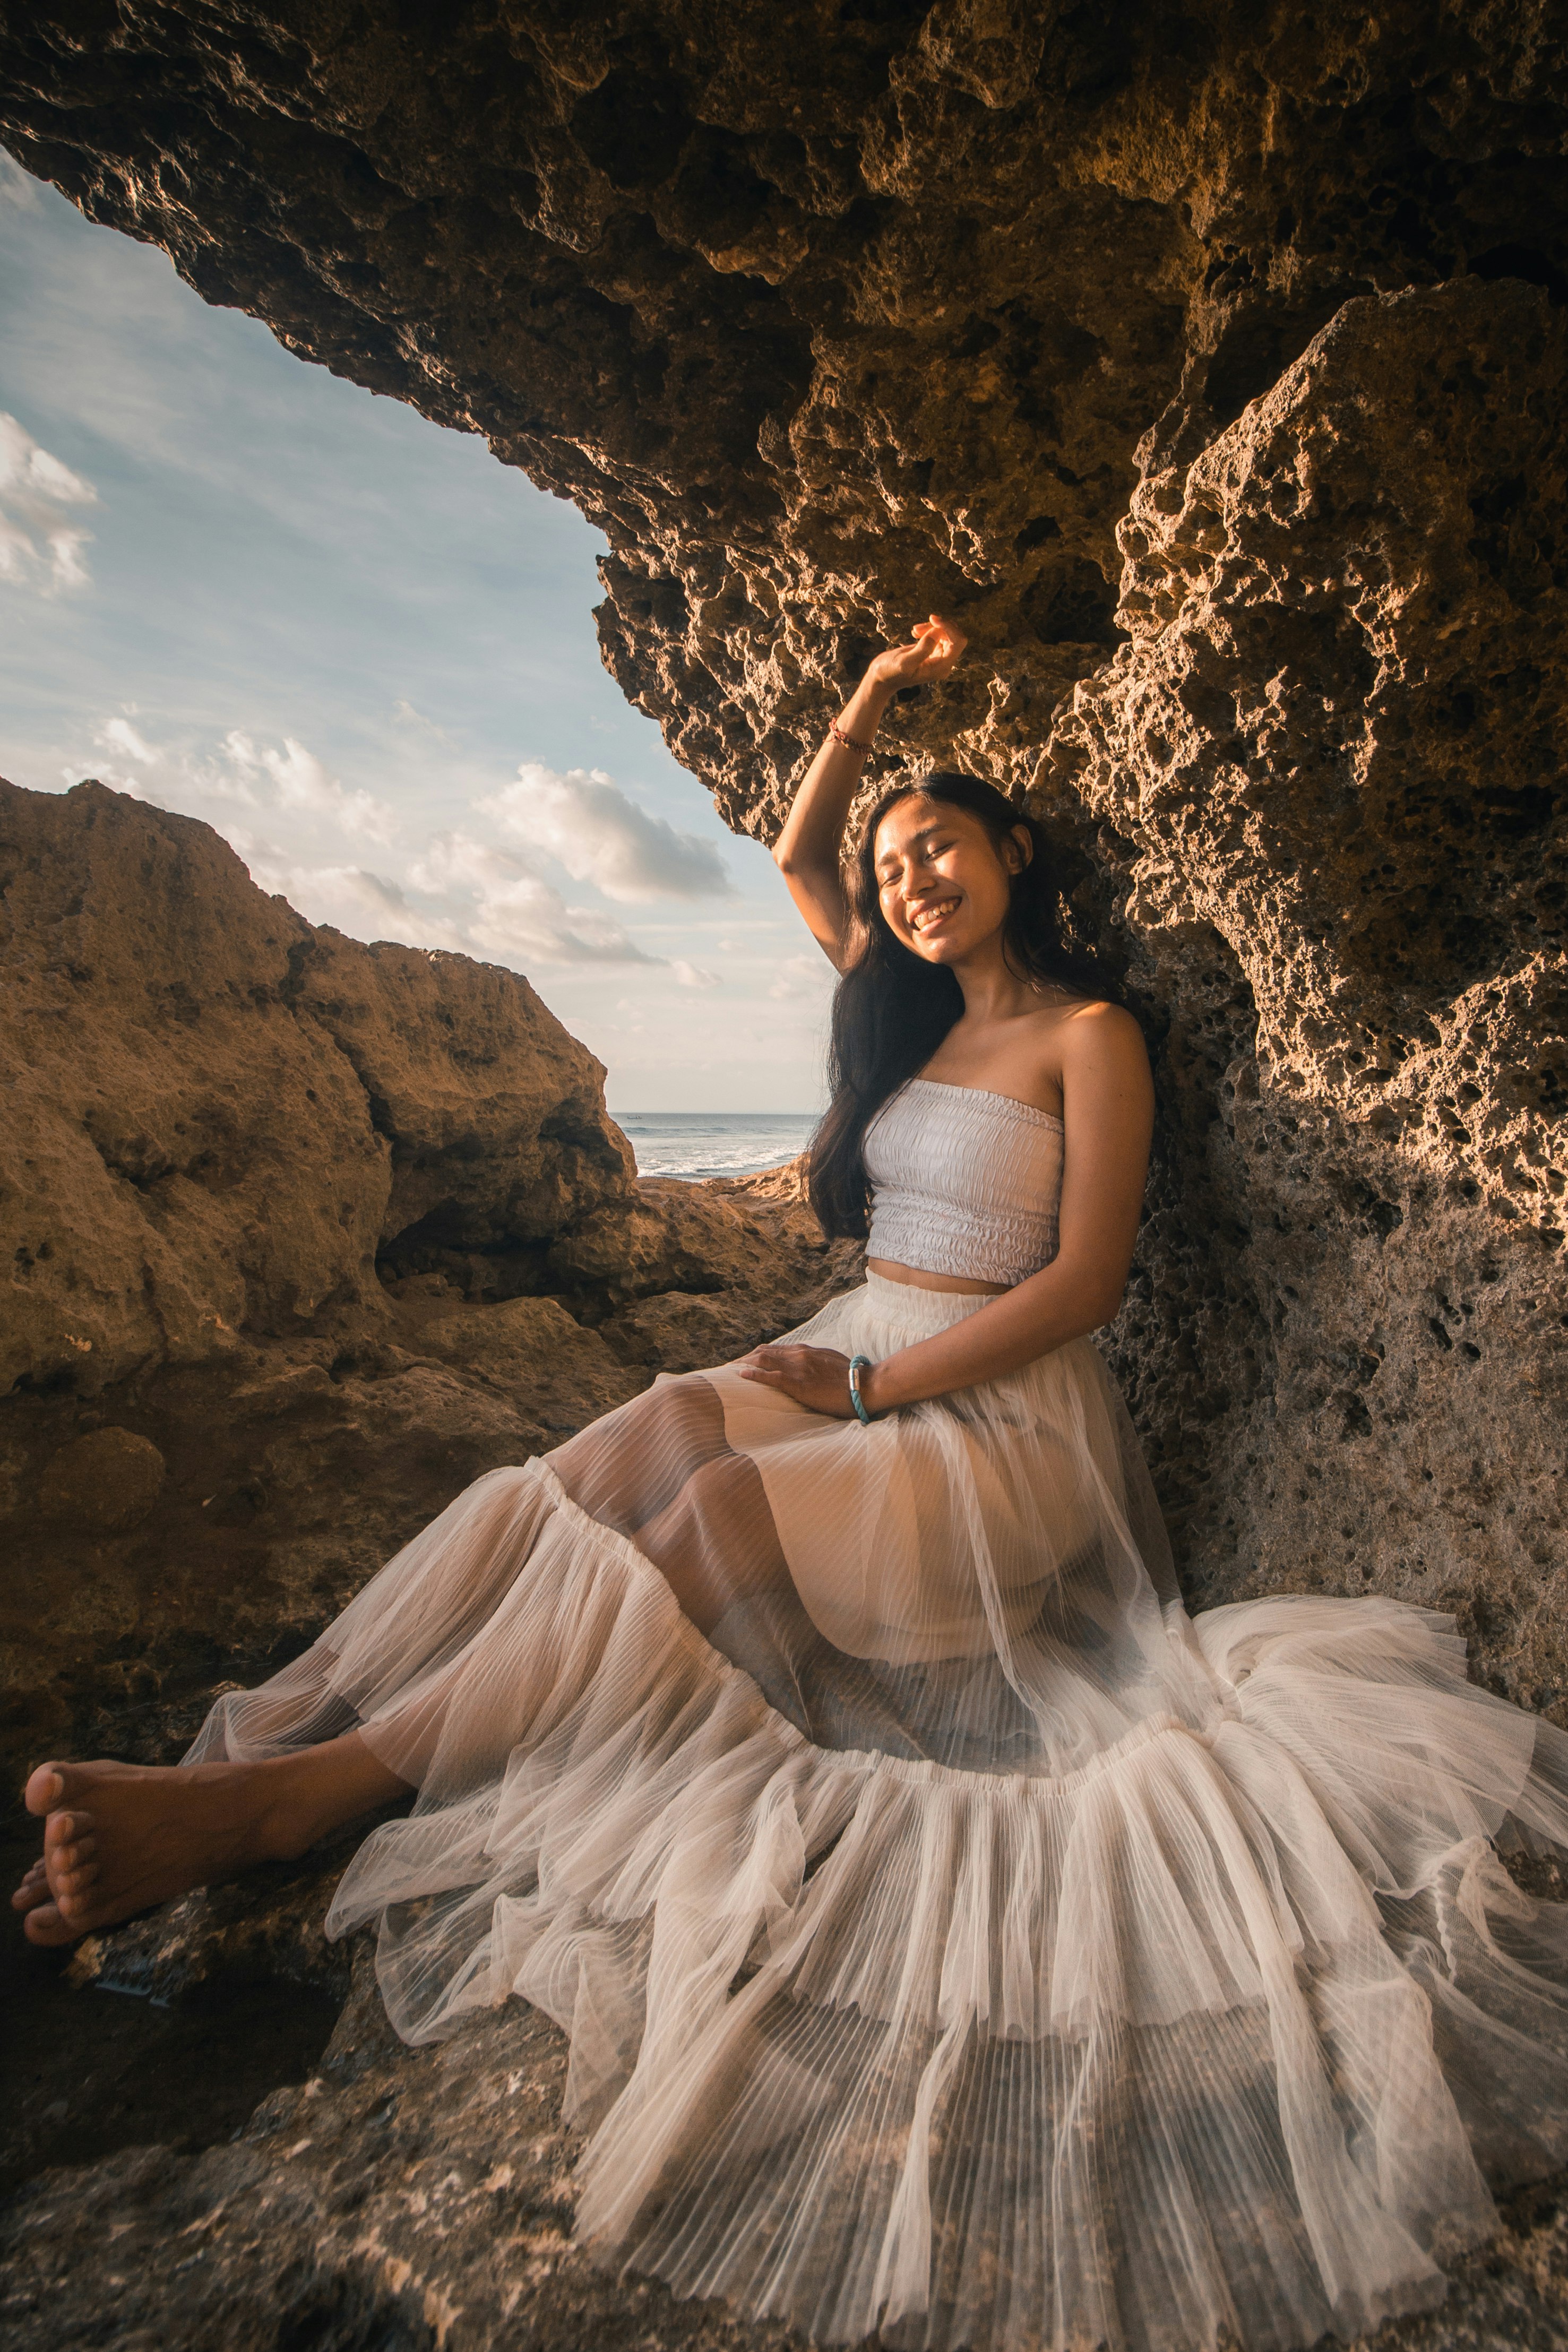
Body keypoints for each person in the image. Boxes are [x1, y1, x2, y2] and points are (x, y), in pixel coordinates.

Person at [14, 618, 1568, 2352]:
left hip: (994, 1420)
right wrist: (865, 707)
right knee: (604, 1456)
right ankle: (331, 1742)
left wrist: (869, 1382)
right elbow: (788, 849)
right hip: (853, 1358)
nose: (909, 883)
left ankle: (297, 1800)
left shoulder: (1089, 1036)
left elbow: (1085, 1289)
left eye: (941, 850)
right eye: (893, 865)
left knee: (686, 1531)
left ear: (1013, 857)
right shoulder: (892, 1018)